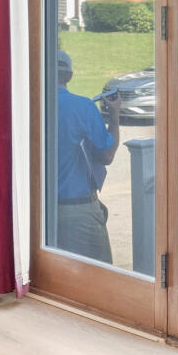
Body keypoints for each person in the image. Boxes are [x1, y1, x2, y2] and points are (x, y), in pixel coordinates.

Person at [51, 49, 118, 262]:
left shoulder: (33, 105)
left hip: (42, 209)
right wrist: (114, 114)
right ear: (69, 76)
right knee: (101, 274)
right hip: (77, 210)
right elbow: (107, 155)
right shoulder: (83, 107)